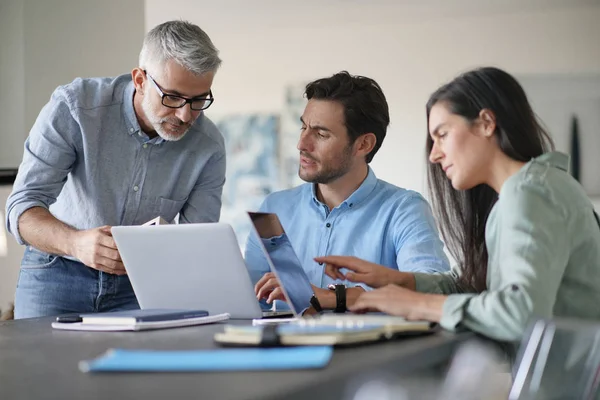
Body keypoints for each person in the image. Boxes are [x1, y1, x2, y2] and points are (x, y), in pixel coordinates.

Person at [318, 67, 600, 342]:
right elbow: (473, 284)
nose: (434, 155)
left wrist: (415, 305)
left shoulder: (529, 192)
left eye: (442, 134)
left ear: (486, 123)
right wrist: (399, 281)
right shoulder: (536, 188)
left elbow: (519, 314)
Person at [5, 20, 226, 318]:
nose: (185, 115)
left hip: (143, 283)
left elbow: (197, 241)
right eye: (172, 97)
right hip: (57, 271)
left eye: (199, 100)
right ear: (140, 80)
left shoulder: (208, 145)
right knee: (40, 364)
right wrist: (76, 243)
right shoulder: (74, 108)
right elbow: (21, 209)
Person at [246, 71, 450, 312]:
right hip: (284, 347)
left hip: (371, 348)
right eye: (304, 127)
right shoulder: (274, 207)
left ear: (363, 144)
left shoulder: (404, 209)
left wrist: (337, 297)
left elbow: (434, 289)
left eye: (321, 134)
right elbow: (247, 300)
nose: (302, 144)